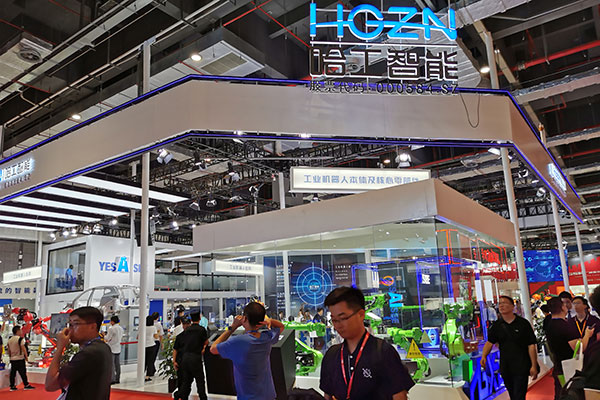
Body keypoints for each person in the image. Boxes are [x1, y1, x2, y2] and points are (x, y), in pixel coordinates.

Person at [319, 287, 414, 400]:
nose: (338, 325)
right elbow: (327, 395)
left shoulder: (383, 352)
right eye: (334, 320)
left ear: (361, 314)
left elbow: (399, 396)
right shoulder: (331, 355)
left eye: (343, 318)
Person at [210, 302, 284, 400]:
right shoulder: (266, 338)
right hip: (268, 396)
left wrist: (232, 327)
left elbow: (213, 349)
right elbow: (281, 326)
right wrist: (269, 320)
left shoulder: (237, 341)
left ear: (244, 318)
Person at [45, 306, 112, 400]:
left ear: (92, 326)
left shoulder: (89, 353)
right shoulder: (103, 347)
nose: (70, 330)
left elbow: (50, 384)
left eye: (75, 324)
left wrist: (59, 347)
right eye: (70, 324)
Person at [480, 296, 538, 400]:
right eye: (500, 303)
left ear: (512, 306)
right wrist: (484, 356)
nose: (501, 305)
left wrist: (533, 365)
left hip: (521, 365)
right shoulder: (496, 326)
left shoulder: (523, 323)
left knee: (519, 395)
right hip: (506, 366)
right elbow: (490, 342)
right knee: (512, 394)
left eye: (505, 303)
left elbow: (531, 345)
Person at [544, 296, 594, 400]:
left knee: (560, 392)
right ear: (563, 307)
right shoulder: (565, 326)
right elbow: (579, 348)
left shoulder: (550, 324)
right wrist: (587, 335)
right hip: (569, 365)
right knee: (570, 392)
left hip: (559, 364)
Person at [176, 312, 208, 400]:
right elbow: (206, 342)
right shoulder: (201, 330)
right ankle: (203, 398)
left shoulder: (187, 330)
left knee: (186, 381)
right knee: (200, 380)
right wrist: (203, 348)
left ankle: (181, 396)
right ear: (200, 319)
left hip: (185, 357)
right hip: (195, 357)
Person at [7, 325, 35, 391]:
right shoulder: (20, 339)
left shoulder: (10, 340)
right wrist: (26, 357)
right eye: (20, 330)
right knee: (23, 372)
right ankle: (26, 385)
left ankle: (12, 386)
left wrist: (10, 357)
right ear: (17, 331)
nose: (21, 331)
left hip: (12, 359)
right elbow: (23, 349)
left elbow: (9, 350)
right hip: (19, 358)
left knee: (13, 373)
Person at [172, 318, 191, 400]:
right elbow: (175, 349)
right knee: (181, 380)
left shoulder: (193, 336)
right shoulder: (179, 337)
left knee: (188, 381)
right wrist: (174, 361)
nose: (185, 326)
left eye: (187, 324)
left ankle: (179, 395)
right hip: (180, 361)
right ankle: (180, 395)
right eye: (184, 324)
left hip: (190, 361)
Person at [104, 315, 124, 384]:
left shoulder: (111, 328)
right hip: (118, 348)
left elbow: (107, 338)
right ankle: (117, 378)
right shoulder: (121, 328)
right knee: (117, 365)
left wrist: (104, 335)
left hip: (111, 348)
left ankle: (112, 379)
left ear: (112, 321)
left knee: (111, 365)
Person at [143, 315, 159, 381]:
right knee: (150, 361)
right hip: (151, 345)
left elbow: (138, 337)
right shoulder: (153, 328)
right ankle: (147, 376)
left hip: (144, 346)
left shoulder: (142, 327)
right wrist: (158, 333)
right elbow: (156, 337)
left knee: (144, 361)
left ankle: (141, 374)